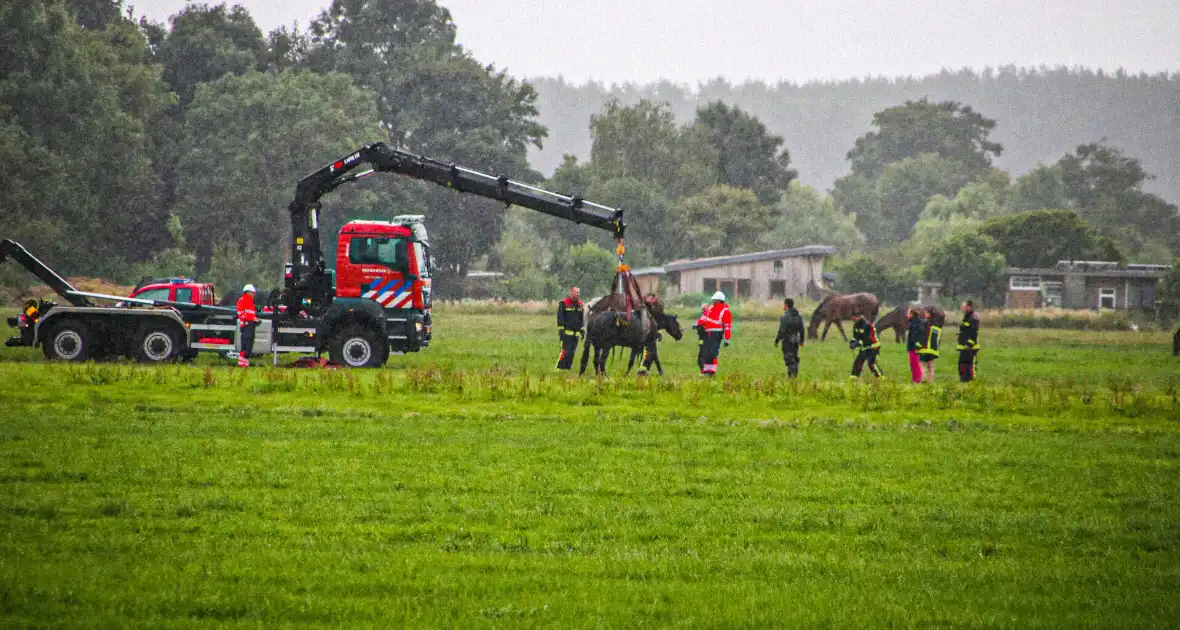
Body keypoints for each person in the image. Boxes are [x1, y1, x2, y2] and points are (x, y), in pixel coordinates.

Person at [698, 291, 732, 376]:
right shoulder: (709, 308)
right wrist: (698, 324)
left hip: (716, 335)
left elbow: (727, 326)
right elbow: (703, 317)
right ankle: (706, 372)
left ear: (718, 300)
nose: (712, 301)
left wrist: (727, 338)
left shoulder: (725, 311)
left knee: (713, 353)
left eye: (714, 299)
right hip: (706, 334)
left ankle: (711, 372)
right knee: (705, 353)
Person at [774, 298, 805, 378]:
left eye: (784, 304)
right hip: (796, 340)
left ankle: (792, 377)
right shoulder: (799, 317)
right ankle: (793, 376)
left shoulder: (784, 317)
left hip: (787, 341)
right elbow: (802, 330)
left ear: (786, 305)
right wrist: (801, 341)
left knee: (789, 359)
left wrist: (777, 340)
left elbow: (782, 331)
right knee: (794, 358)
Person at [555, 286, 584, 370]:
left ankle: (567, 368)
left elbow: (582, 319)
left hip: (576, 334)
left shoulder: (580, 304)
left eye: (578, 292)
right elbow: (560, 317)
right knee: (565, 352)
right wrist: (561, 330)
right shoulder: (564, 303)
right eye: (576, 292)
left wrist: (582, 330)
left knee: (572, 353)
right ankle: (559, 368)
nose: (577, 294)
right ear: (571, 293)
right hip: (566, 333)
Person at [849, 312, 883, 379]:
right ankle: (854, 378)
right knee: (858, 362)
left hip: (873, 346)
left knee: (871, 364)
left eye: (855, 318)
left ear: (859, 316)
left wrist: (857, 344)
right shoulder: (855, 325)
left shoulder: (867, 325)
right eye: (852, 318)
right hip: (864, 347)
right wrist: (852, 343)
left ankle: (881, 378)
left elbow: (867, 339)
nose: (853, 319)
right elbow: (855, 337)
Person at [956, 300, 981, 382]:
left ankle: (972, 382)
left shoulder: (973, 318)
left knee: (970, 365)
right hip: (964, 346)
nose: (962, 308)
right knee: (962, 365)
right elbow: (964, 329)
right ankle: (963, 380)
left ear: (969, 307)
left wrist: (969, 344)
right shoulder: (966, 317)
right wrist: (959, 335)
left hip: (970, 347)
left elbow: (973, 332)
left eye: (963, 307)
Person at [235, 284, 259, 368]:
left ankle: (244, 361)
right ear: (248, 292)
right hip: (246, 326)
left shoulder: (250, 301)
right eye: (252, 292)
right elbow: (240, 314)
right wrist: (251, 319)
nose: (254, 294)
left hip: (250, 325)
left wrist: (255, 319)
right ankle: (242, 362)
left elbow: (251, 314)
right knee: (246, 345)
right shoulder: (242, 300)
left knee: (249, 345)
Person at [918, 307, 942, 383]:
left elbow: (922, 335)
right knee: (931, 366)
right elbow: (938, 338)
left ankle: (923, 381)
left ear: (929, 314)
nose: (924, 314)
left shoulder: (925, 323)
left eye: (926, 312)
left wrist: (918, 345)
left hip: (924, 348)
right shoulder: (937, 325)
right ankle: (931, 382)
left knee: (922, 365)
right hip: (933, 350)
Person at [905, 308, 924, 384]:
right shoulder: (912, 322)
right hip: (911, 347)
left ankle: (917, 380)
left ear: (912, 315)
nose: (907, 315)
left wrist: (916, 346)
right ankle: (914, 379)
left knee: (915, 364)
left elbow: (917, 336)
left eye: (908, 313)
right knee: (912, 364)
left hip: (914, 347)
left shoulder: (916, 323)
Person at [694, 303, 709, 371]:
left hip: (704, 338)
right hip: (703, 338)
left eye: (703, 309)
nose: (702, 310)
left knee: (701, 357)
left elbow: (700, 322)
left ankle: (704, 371)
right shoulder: (706, 316)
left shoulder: (705, 316)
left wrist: (696, 325)